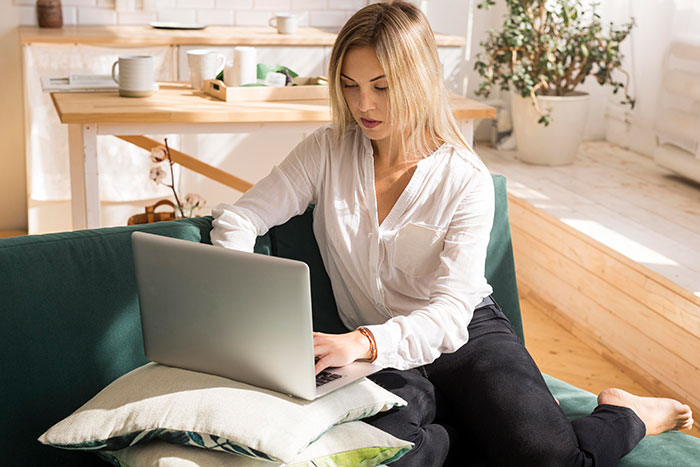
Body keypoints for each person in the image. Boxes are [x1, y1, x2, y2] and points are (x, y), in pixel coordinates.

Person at [211, 2, 694, 465]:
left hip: (463, 336)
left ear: (419, 81)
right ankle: (464, 431)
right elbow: (240, 219)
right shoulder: (326, 150)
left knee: (552, 460)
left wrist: (364, 340)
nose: (363, 104)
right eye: (350, 85)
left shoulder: (465, 179)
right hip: (379, 357)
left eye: (381, 86)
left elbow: (448, 315)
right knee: (374, 452)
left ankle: (626, 413)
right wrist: (255, 302)